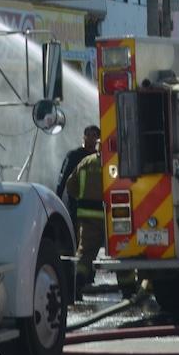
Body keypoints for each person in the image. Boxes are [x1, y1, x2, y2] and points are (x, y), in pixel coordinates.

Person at [65, 148, 104, 295]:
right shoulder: (116, 160)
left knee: (85, 251)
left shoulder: (86, 162)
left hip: (87, 216)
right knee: (121, 252)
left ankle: (78, 282)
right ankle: (128, 290)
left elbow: (70, 185)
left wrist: (81, 198)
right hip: (112, 215)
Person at [55, 125, 100, 222]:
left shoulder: (101, 158)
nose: (90, 138)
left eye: (93, 135)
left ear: (98, 139)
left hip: (97, 208)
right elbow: (62, 179)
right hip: (76, 207)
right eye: (87, 135)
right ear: (83, 137)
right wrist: (57, 201)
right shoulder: (73, 156)